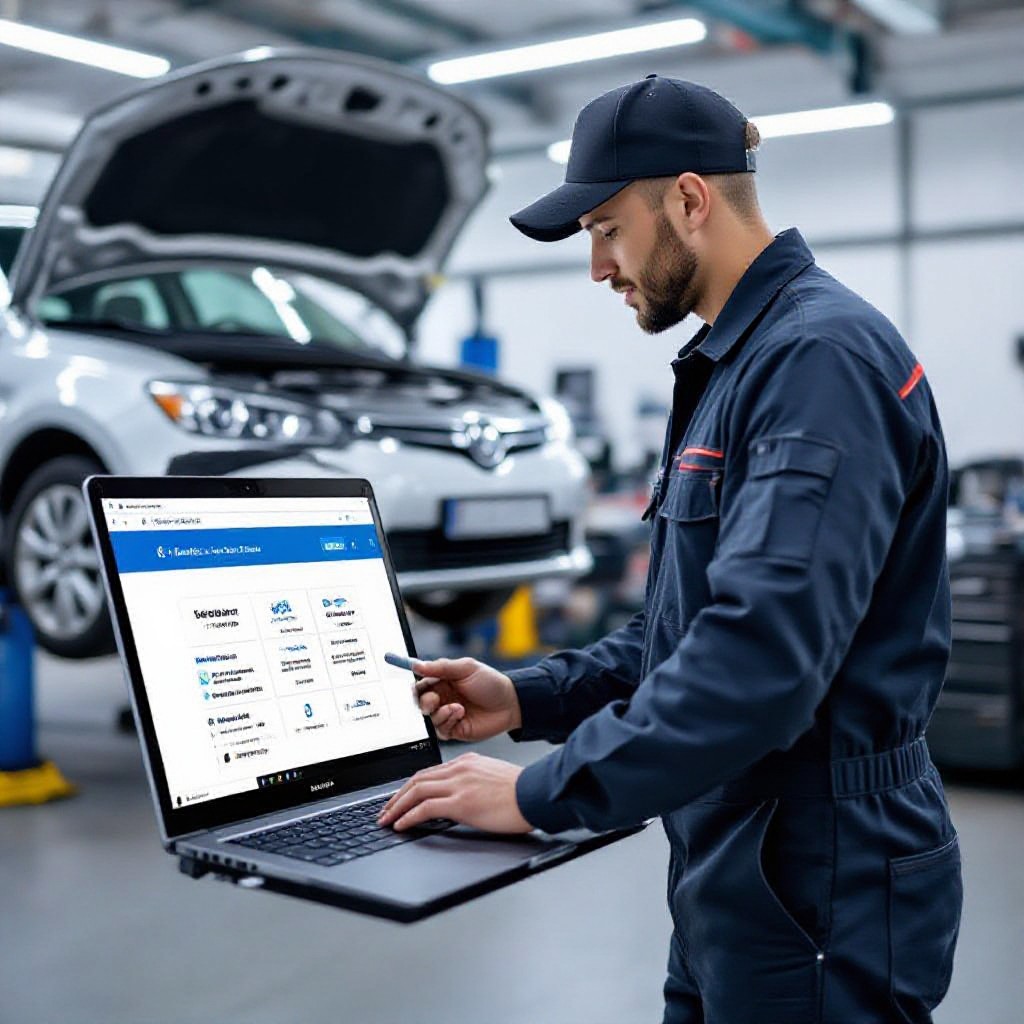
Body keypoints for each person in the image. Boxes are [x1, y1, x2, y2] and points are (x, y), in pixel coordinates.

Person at [377, 75, 962, 1023]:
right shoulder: (745, 360)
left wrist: (539, 794)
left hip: (822, 869)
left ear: (689, 200)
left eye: (608, 228)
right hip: (738, 858)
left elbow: (759, 664)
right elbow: (686, 632)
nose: (598, 266)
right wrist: (530, 695)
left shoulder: (815, 363)